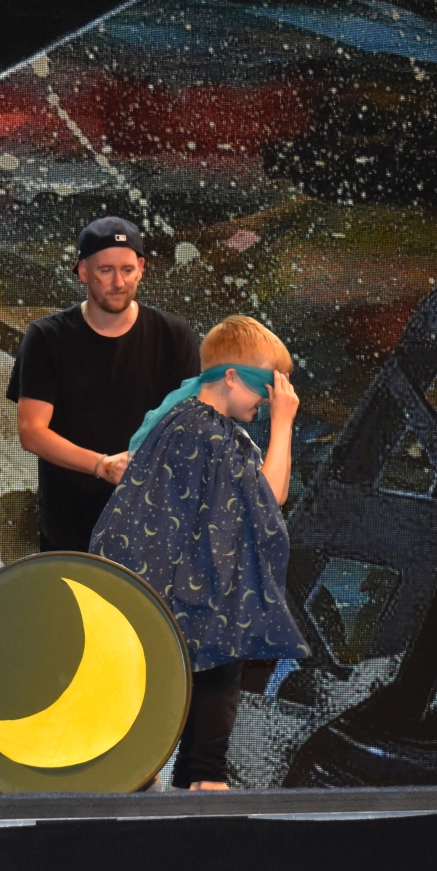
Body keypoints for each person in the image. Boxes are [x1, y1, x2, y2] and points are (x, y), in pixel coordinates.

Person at [92, 315, 310, 791]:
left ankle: (184, 774)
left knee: (195, 670)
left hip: (166, 579)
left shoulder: (179, 420)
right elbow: (271, 495)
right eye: (265, 389)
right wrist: (285, 424)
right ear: (231, 377)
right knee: (216, 662)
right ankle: (203, 777)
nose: (269, 401)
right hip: (190, 584)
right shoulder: (211, 433)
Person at [6, 217, 200, 553]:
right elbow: (32, 431)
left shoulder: (174, 335)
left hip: (149, 528)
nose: (118, 282)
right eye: (105, 271)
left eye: (127, 269)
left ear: (141, 269)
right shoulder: (46, 337)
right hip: (68, 530)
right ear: (83, 272)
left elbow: (186, 426)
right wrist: (101, 465)